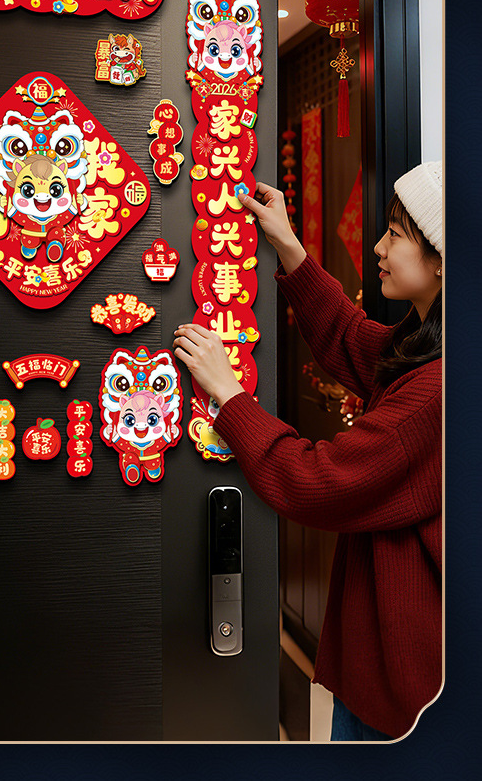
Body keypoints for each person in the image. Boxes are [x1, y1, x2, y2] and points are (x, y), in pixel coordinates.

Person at [173, 162, 442, 742]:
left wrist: (229, 396)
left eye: (395, 236)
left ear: (442, 262)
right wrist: (290, 248)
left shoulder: (435, 393)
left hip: (406, 693)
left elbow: (316, 481)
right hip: (387, 672)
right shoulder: (426, 347)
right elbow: (353, 341)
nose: (378, 247)